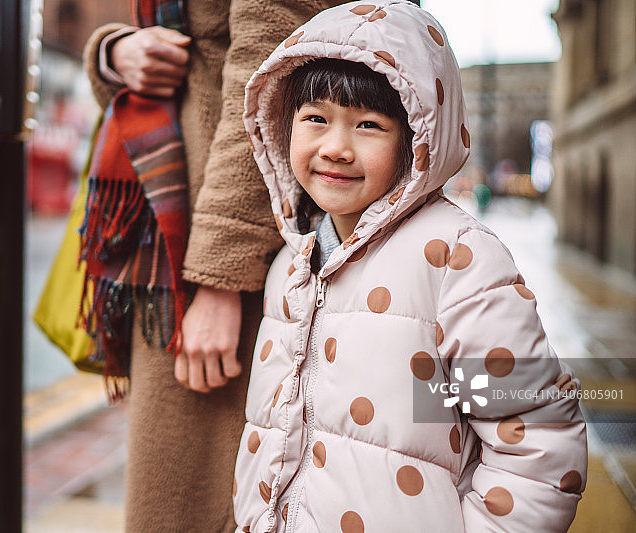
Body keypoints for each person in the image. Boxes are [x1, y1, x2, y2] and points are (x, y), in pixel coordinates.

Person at [233, 2, 588, 531]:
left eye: (369, 125)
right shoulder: (293, 260)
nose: (336, 147)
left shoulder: (453, 260)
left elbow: (532, 437)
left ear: (418, 142)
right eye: (315, 119)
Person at [81, 1, 346, 530]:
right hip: (174, 235)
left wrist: (220, 280)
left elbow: (268, 75)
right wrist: (116, 54)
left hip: (229, 245)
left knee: (197, 498)